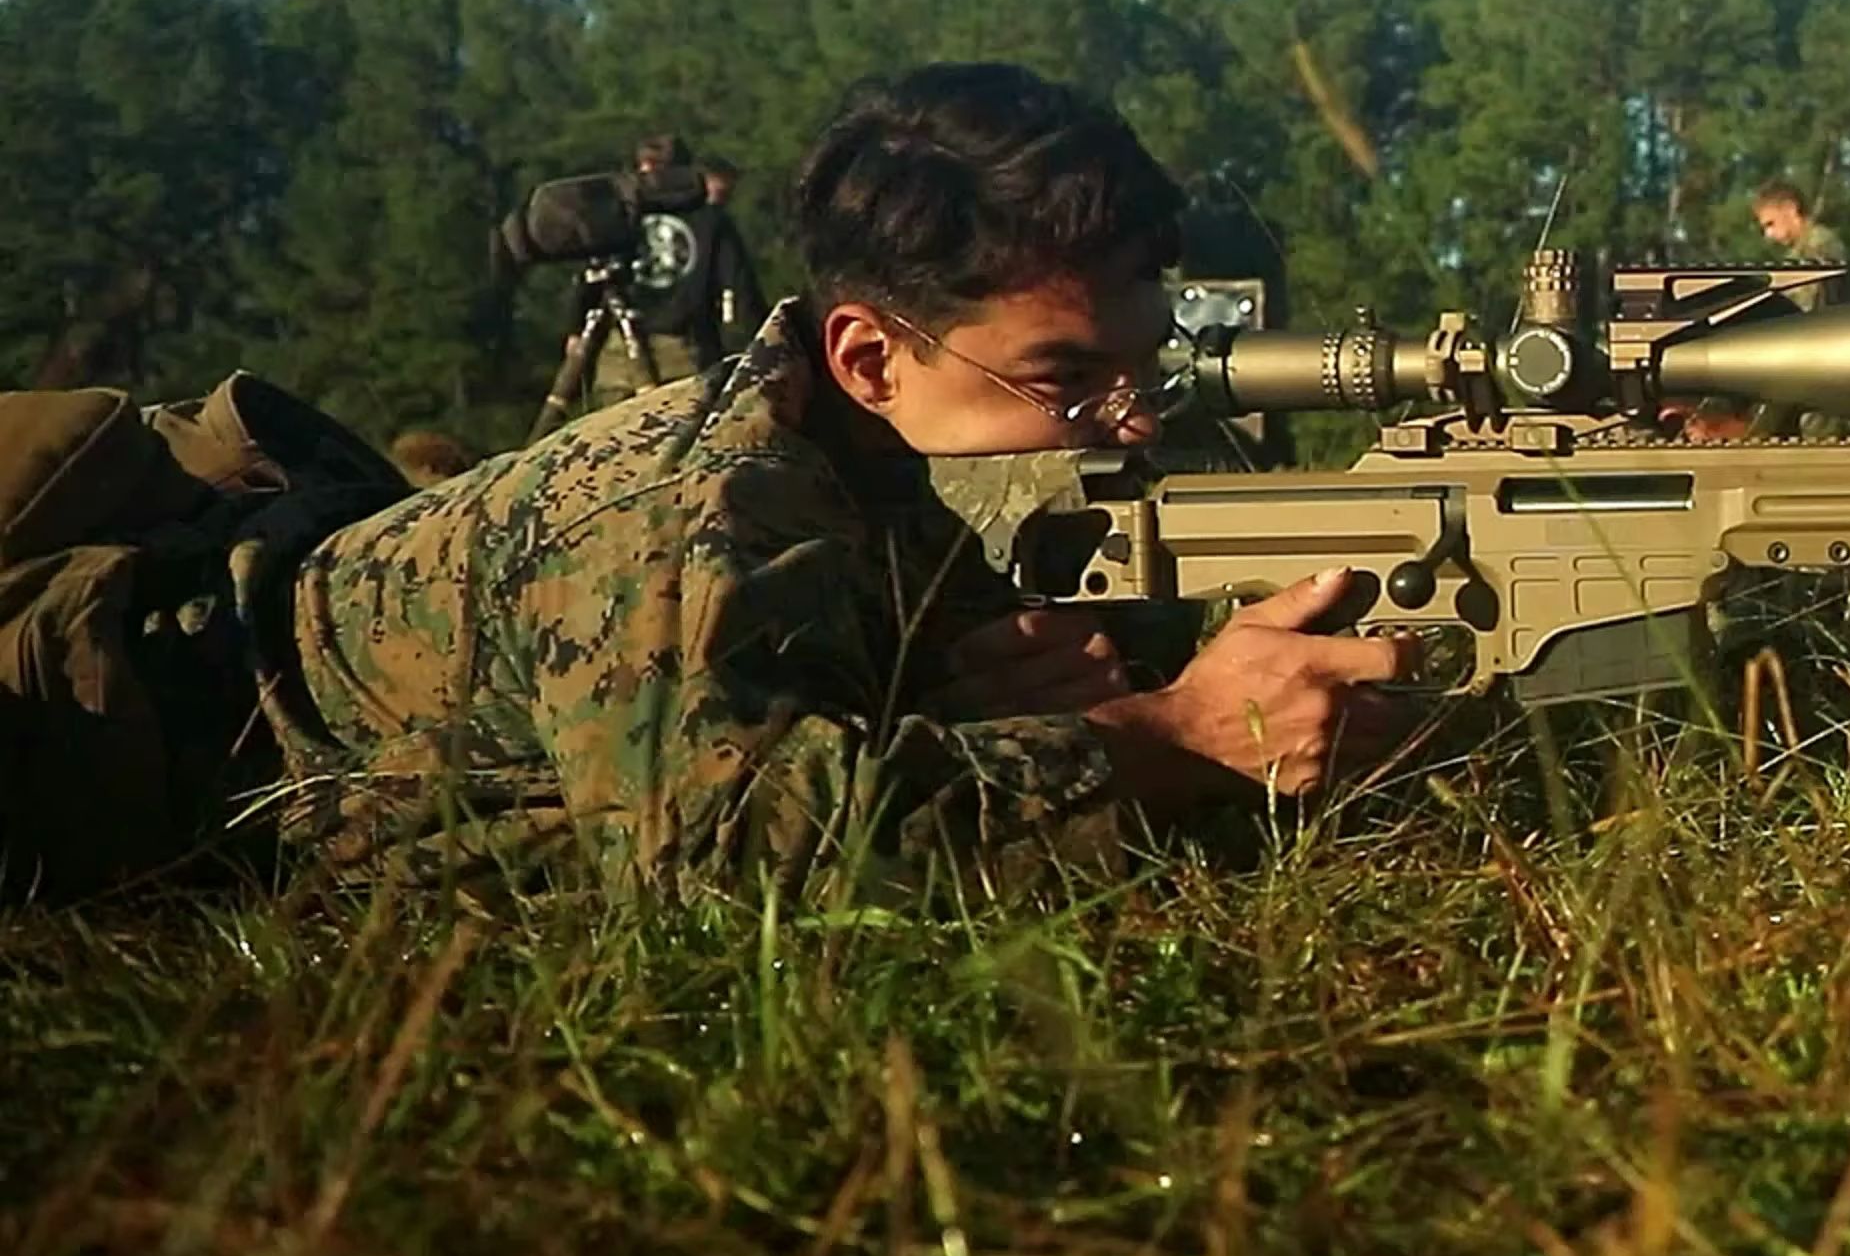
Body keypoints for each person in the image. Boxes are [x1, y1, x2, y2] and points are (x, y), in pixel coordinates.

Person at [260, 61, 1416, 895]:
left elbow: (864, 744)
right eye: (1065, 380)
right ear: (871, 358)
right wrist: (1176, 736)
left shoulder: (878, 464)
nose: (1121, 423)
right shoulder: (683, 507)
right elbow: (726, 862)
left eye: (1138, 371)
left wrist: (982, 714)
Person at [556, 136, 768, 416]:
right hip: (685, 356)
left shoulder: (618, 215)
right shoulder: (710, 219)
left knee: (611, 443)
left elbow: (591, 276)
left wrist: (575, 328)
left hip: (618, 352)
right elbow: (740, 289)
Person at [1752, 181, 1850, 271]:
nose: (1768, 234)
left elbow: (1809, 289)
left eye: (1771, 224)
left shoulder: (1820, 244)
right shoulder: (1799, 251)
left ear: (1790, 208)